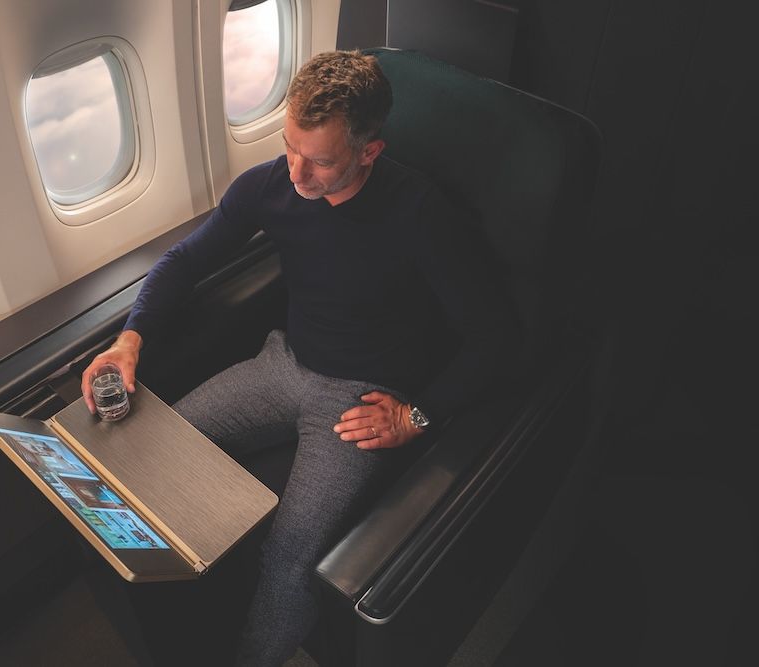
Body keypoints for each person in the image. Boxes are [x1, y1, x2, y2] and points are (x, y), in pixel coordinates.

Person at [82, 50, 519, 666]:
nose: (297, 173)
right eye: (289, 146)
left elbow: (495, 336)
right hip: (282, 364)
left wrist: (419, 415)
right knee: (148, 453)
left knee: (292, 550)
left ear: (369, 152)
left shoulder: (422, 214)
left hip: (359, 400)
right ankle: (173, 621)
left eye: (320, 160)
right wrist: (130, 338)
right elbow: (185, 260)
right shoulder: (269, 186)